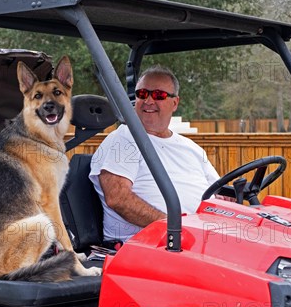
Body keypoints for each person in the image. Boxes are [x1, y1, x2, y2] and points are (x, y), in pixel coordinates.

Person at [89, 65, 222, 242]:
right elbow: (118, 199)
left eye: (158, 95)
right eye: (142, 94)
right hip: (148, 244)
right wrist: (178, 228)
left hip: (199, 238)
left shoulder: (192, 149)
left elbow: (220, 196)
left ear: (175, 103)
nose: (149, 101)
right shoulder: (123, 139)